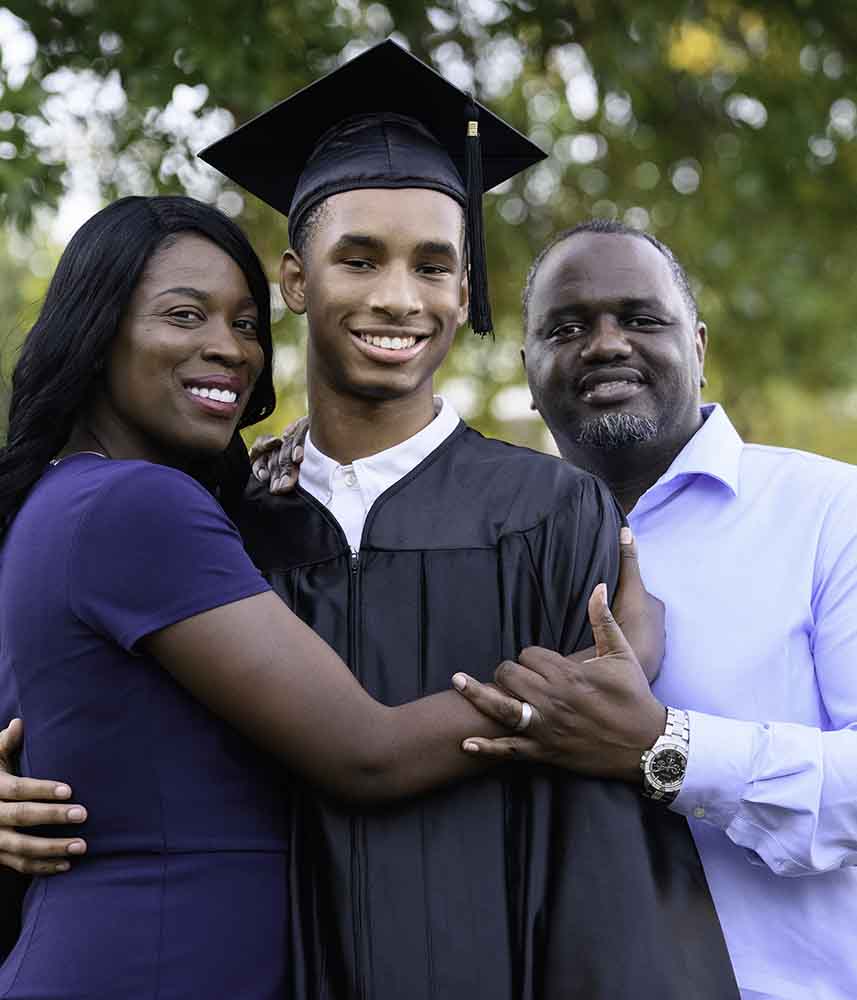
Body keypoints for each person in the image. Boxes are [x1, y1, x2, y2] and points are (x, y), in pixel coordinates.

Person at [0, 45, 739, 999]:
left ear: (463, 295)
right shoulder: (226, 521)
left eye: (433, 264)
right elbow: (61, 710)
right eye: (359, 258)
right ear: (297, 280)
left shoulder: (547, 513)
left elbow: (593, 839)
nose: (397, 295)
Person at [0, 192, 568, 999]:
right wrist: (576, 687)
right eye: (185, 315)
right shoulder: (135, 508)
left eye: (242, 324)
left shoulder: (63, 501)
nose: (228, 349)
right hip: (151, 964)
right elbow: (366, 754)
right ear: (98, 332)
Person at [489, 217, 856, 1000]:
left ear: (695, 343)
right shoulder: (488, 540)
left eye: (639, 318)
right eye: (566, 326)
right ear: (527, 369)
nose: (604, 343)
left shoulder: (830, 512)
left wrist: (662, 747)